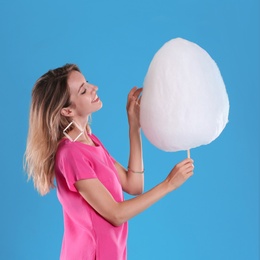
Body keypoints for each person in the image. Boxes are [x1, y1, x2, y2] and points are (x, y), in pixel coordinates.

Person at [24, 64, 194, 260]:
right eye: (83, 90)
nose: (93, 87)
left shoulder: (90, 140)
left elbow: (134, 185)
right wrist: (169, 184)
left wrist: (134, 127)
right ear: (67, 111)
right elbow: (115, 214)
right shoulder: (70, 153)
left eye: (87, 82)